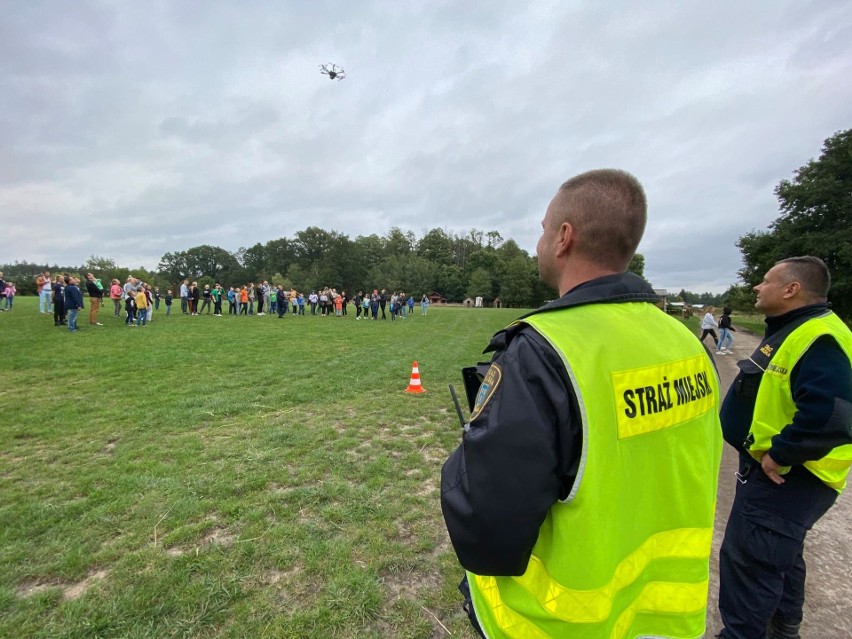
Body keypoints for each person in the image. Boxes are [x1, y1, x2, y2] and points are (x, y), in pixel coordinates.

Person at [440, 169, 723, 639]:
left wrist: (466, 457)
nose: (539, 240)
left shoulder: (544, 352)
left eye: (543, 228)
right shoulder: (687, 344)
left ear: (563, 238)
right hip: (665, 615)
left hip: (561, 623)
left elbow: (488, 527)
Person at [716, 256, 852, 639]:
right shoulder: (798, 328)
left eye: (766, 280)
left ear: (792, 289)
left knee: (751, 562)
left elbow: (834, 414)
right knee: (781, 556)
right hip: (789, 476)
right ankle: (784, 626)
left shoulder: (818, 337)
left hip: (790, 478)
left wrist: (781, 453)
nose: (758, 287)